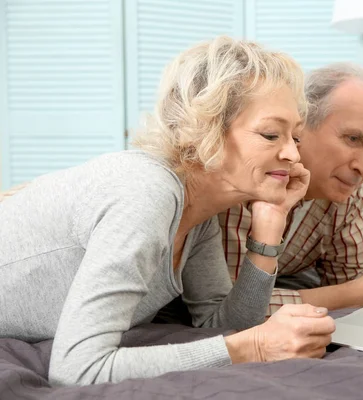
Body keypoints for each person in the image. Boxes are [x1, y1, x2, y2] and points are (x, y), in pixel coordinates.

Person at [0, 36, 335, 386]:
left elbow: (221, 327)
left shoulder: (199, 216)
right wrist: (253, 348)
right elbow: (77, 370)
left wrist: (269, 229)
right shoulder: (145, 193)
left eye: (295, 137)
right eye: (270, 134)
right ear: (207, 128)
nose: (293, 156)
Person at [219, 63, 363, 315]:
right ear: (300, 127)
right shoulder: (247, 178)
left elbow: (354, 279)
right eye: (353, 139)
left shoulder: (345, 192)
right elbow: (232, 307)